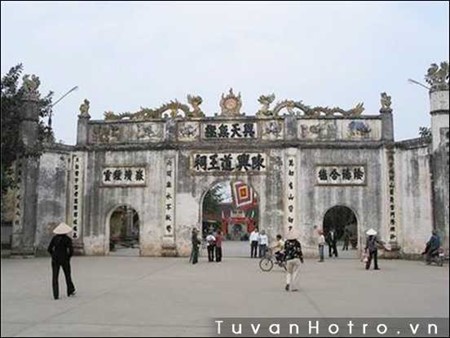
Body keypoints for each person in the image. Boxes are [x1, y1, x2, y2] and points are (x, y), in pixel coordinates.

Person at [47, 222, 76, 300]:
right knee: (67, 275)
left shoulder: (54, 238)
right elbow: (71, 251)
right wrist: (68, 257)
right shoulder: (67, 239)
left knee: (55, 277)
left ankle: (55, 295)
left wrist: (53, 255)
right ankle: (70, 290)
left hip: (55, 259)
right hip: (64, 259)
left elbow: (49, 249)